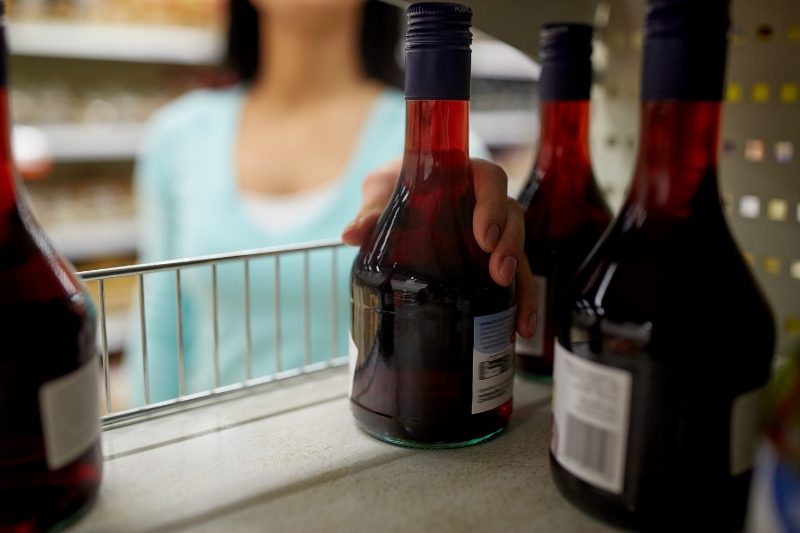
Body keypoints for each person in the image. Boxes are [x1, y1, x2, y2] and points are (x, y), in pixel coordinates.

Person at [124, 0, 535, 406]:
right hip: (213, 451)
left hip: (361, 456)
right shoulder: (176, 136)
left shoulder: (436, 148)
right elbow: (160, 320)